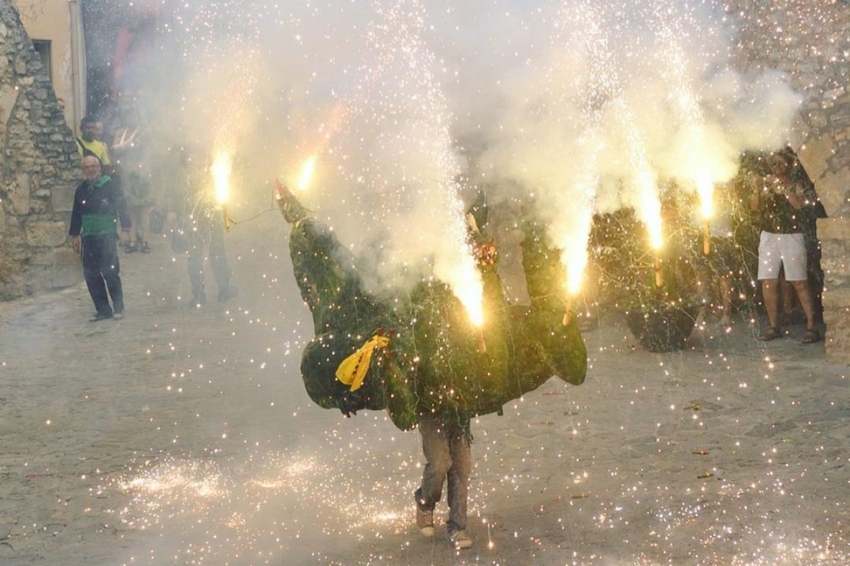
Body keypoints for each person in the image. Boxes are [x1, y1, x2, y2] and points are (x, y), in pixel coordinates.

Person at [750, 147, 820, 343]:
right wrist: (757, 188)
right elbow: (754, 208)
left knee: (799, 281)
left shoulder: (796, 183)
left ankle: (811, 326)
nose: (777, 168)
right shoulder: (767, 185)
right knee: (768, 281)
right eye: (774, 164)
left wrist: (785, 187)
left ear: (788, 165)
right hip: (769, 235)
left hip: (791, 235)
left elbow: (799, 205)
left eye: (781, 163)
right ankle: (773, 326)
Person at [69, 156, 131, 321]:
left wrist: (126, 228)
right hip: (89, 237)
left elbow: (122, 206)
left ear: (99, 167)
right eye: (86, 167)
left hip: (107, 236)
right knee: (91, 274)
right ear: (83, 170)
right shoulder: (81, 190)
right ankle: (103, 310)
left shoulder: (110, 185)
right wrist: (74, 235)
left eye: (93, 166)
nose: (90, 169)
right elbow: (76, 213)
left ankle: (119, 307)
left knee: (110, 272)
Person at [180, 157, 236, 306]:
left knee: (195, 255)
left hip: (196, 215)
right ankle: (222, 290)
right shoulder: (209, 170)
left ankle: (199, 293)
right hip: (207, 214)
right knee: (214, 253)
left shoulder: (188, 171)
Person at [414, 413, 474, 550]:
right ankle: (425, 502)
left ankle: (458, 527)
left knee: (461, 465)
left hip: (459, 406)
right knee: (439, 463)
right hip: (428, 406)